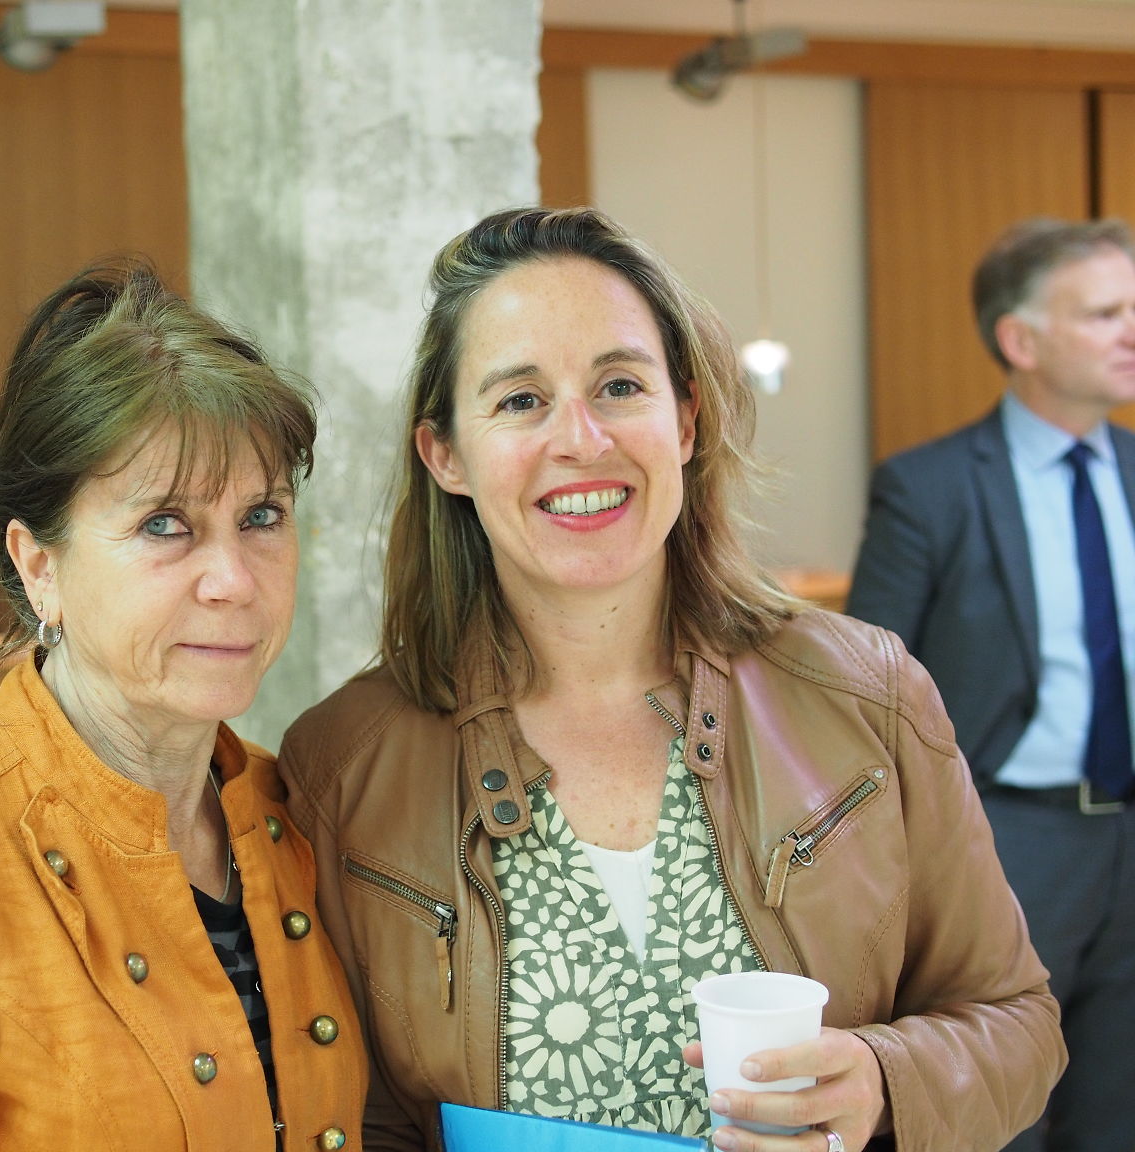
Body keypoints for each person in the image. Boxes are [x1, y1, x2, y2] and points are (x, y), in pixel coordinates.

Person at [279, 207, 1064, 1152]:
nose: (581, 440)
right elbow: (351, 1118)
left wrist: (883, 1081)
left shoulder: (869, 694)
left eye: (619, 386)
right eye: (520, 400)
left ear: (685, 420)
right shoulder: (341, 765)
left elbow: (1017, 1021)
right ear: (445, 454)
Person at [0, 263, 367, 1149]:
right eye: (165, 524)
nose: (234, 581)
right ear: (39, 567)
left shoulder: (304, 814)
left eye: (262, 515)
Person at [847, 217, 1135, 1152]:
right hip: (1007, 835)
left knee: (1119, 1104)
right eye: (1105, 314)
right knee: (1007, 1110)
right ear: (1021, 340)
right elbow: (865, 694)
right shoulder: (927, 489)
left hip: (1131, 832)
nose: (1131, 331)